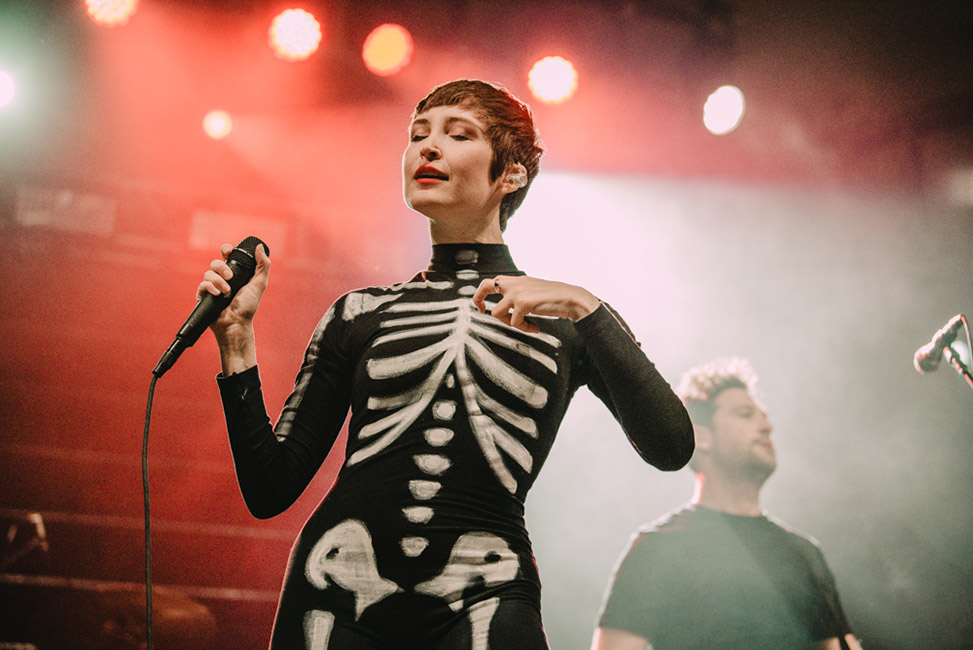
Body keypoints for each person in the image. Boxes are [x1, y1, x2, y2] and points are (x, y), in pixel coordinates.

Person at [197, 79, 694, 649]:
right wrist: (236, 342)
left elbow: (672, 446)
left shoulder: (565, 316)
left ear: (511, 174)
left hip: (485, 589)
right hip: (338, 584)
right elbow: (269, 489)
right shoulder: (359, 312)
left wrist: (586, 305)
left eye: (458, 135)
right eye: (417, 135)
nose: (427, 148)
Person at [591, 358, 861, 650]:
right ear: (703, 437)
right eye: (746, 414)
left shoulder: (804, 553)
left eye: (764, 416)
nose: (767, 427)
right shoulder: (657, 548)